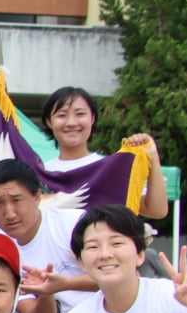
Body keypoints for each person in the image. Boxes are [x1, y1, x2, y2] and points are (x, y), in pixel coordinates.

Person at [0, 158, 93, 313]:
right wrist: (46, 293)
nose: (10, 214)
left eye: (17, 200)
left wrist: (64, 284)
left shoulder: (74, 223)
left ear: (37, 197)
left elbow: (121, 276)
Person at [39, 86, 170, 218]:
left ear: (92, 118)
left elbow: (157, 211)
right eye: (62, 115)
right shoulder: (40, 174)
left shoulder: (112, 171)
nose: (71, 123)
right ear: (49, 122)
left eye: (80, 114)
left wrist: (152, 156)